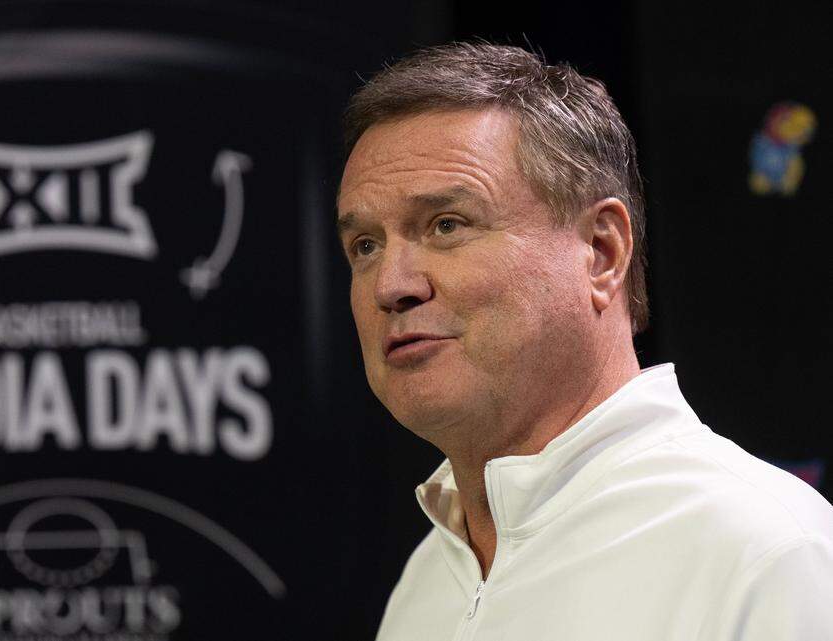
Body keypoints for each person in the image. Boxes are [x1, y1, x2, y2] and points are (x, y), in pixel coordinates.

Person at [337, 42, 833, 640]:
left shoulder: (768, 554)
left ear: (602, 252)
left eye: (447, 225)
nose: (391, 285)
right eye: (365, 245)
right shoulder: (426, 584)